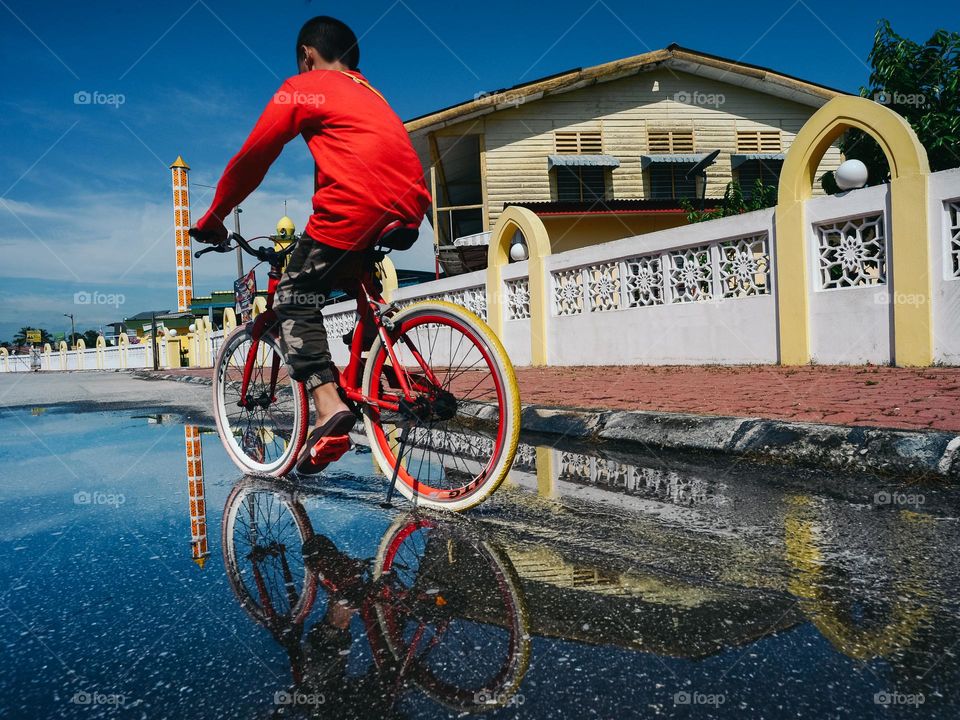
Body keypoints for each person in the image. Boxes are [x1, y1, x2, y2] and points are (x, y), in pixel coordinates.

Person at [190, 15, 430, 465]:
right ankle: (362, 395)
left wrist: (216, 215)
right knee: (357, 287)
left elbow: (253, 156)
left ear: (307, 56)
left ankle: (328, 404)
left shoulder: (305, 86)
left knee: (293, 296)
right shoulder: (371, 93)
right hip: (410, 204)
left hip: (355, 207)